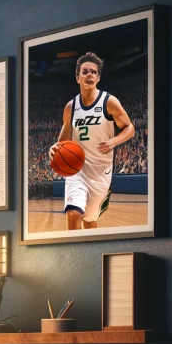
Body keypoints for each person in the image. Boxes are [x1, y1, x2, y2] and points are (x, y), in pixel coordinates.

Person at [49, 52, 135, 230]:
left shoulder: (108, 102)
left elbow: (129, 128)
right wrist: (54, 148)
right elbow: (62, 142)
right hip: (77, 169)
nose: (89, 75)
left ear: (98, 77)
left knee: (89, 220)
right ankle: (74, 255)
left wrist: (113, 142)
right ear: (77, 77)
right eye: (85, 71)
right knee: (73, 214)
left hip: (101, 170)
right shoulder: (71, 107)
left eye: (93, 72)